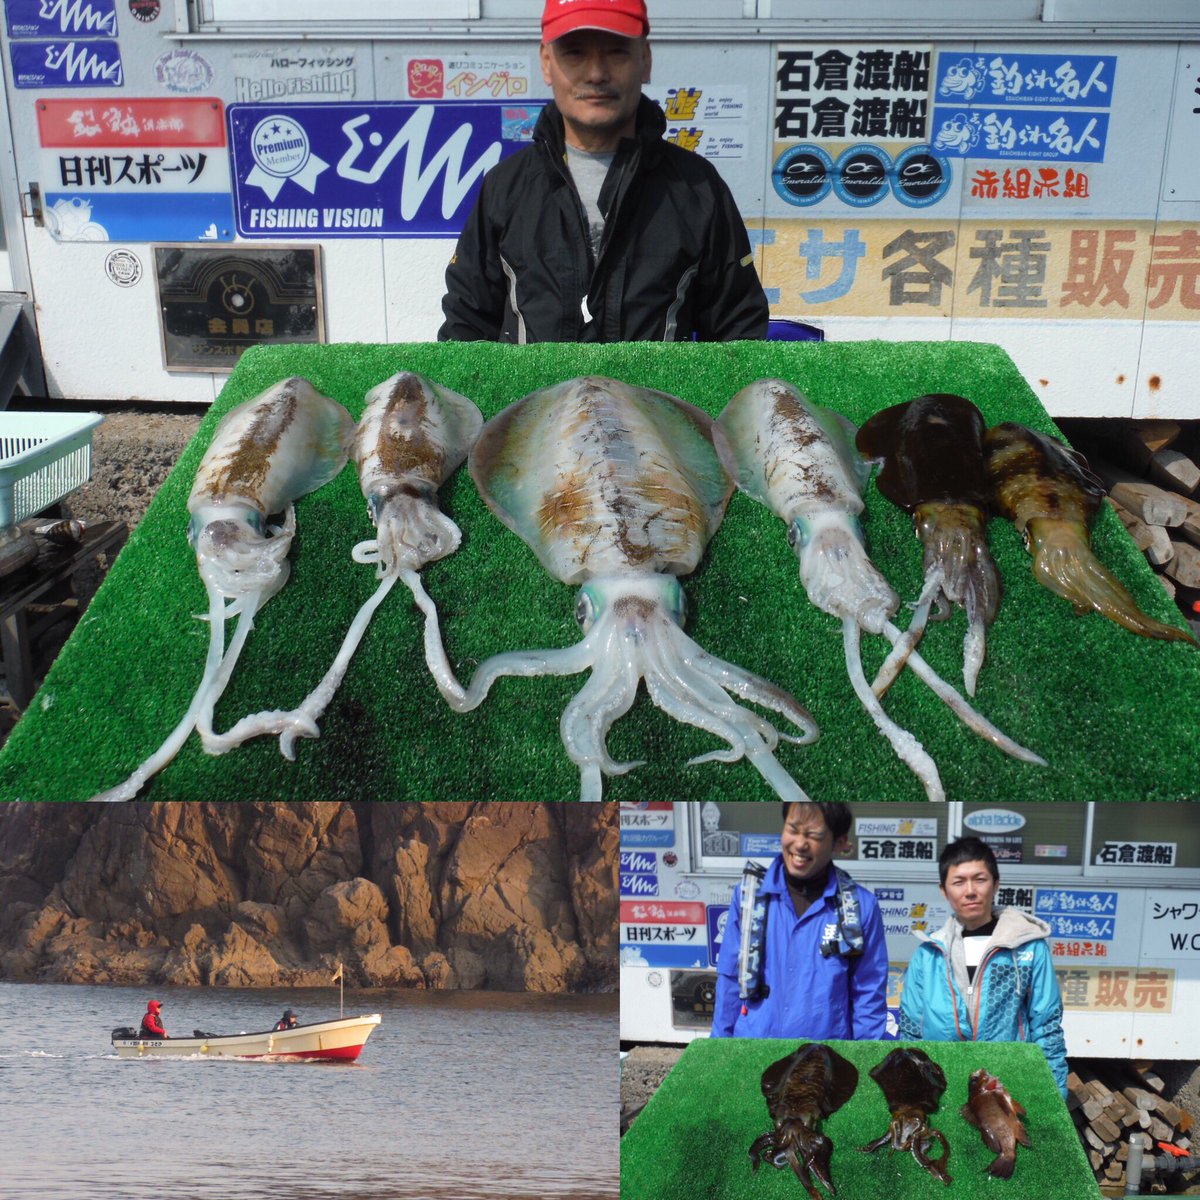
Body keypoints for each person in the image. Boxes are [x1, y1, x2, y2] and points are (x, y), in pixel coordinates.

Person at [438, 0, 769, 344]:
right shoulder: (504, 187)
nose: (596, 73)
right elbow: (466, 327)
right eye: (575, 53)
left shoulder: (697, 187)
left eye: (616, 52)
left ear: (645, 58)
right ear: (547, 62)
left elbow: (739, 330)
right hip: (535, 400)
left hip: (653, 400)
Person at [898, 837, 1068, 1096]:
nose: (970, 891)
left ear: (996, 883)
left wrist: (1055, 1094)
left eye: (980, 879)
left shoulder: (1028, 948)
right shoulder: (928, 954)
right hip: (943, 1086)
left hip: (1009, 1085)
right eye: (958, 882)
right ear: (943, 890)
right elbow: (911, 1032)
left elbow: (1046, 1027)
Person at [711, 802, 889, 1039]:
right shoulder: (749, 896)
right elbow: (730, 980)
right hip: (753, 1047)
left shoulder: (860, 906)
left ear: (839, 842)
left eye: (814, 835)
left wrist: (867, 1060)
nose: (799, 844)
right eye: (792, 830)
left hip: (826, 1057)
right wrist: (719, 1049)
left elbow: (868, 992)